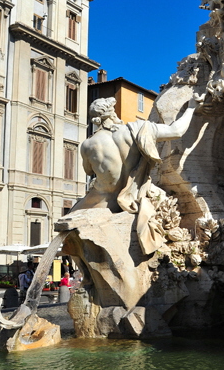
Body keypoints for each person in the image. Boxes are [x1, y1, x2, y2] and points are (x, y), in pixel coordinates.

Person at [72, 93, 203, 254]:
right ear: (113, 113)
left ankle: (86, 276)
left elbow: (88, 170)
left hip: (103, 201)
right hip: (133, 197)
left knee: (70, 223)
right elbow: (176, 131)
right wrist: (191, 107)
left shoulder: (88, 144)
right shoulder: (138, 129)